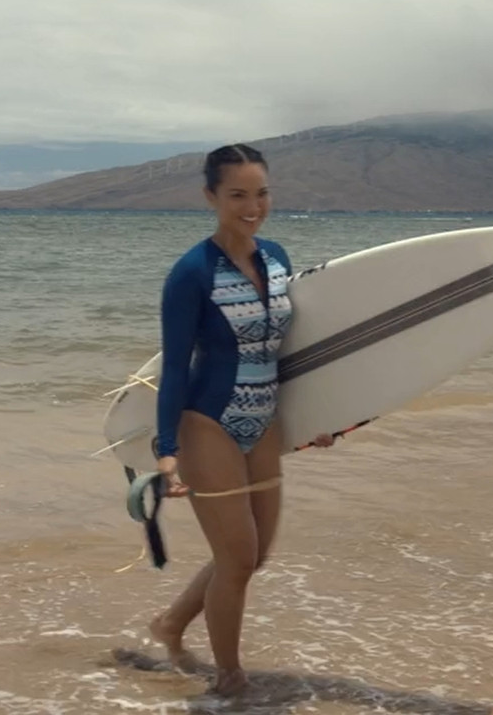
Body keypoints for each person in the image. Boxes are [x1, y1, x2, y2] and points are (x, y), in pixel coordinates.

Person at [148, 143, 335, 697]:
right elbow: (175, 366)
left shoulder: (277, 257)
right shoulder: (191, 273)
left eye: (261, 193)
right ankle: (229, 679)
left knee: (254, 555)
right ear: (211, 198)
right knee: (236, 559)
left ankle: (170, 625)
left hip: (266, 419)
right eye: (238, 195)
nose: (253, 206)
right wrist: (166, 450)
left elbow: (293, 351)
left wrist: (321, 417)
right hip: (209, 421)